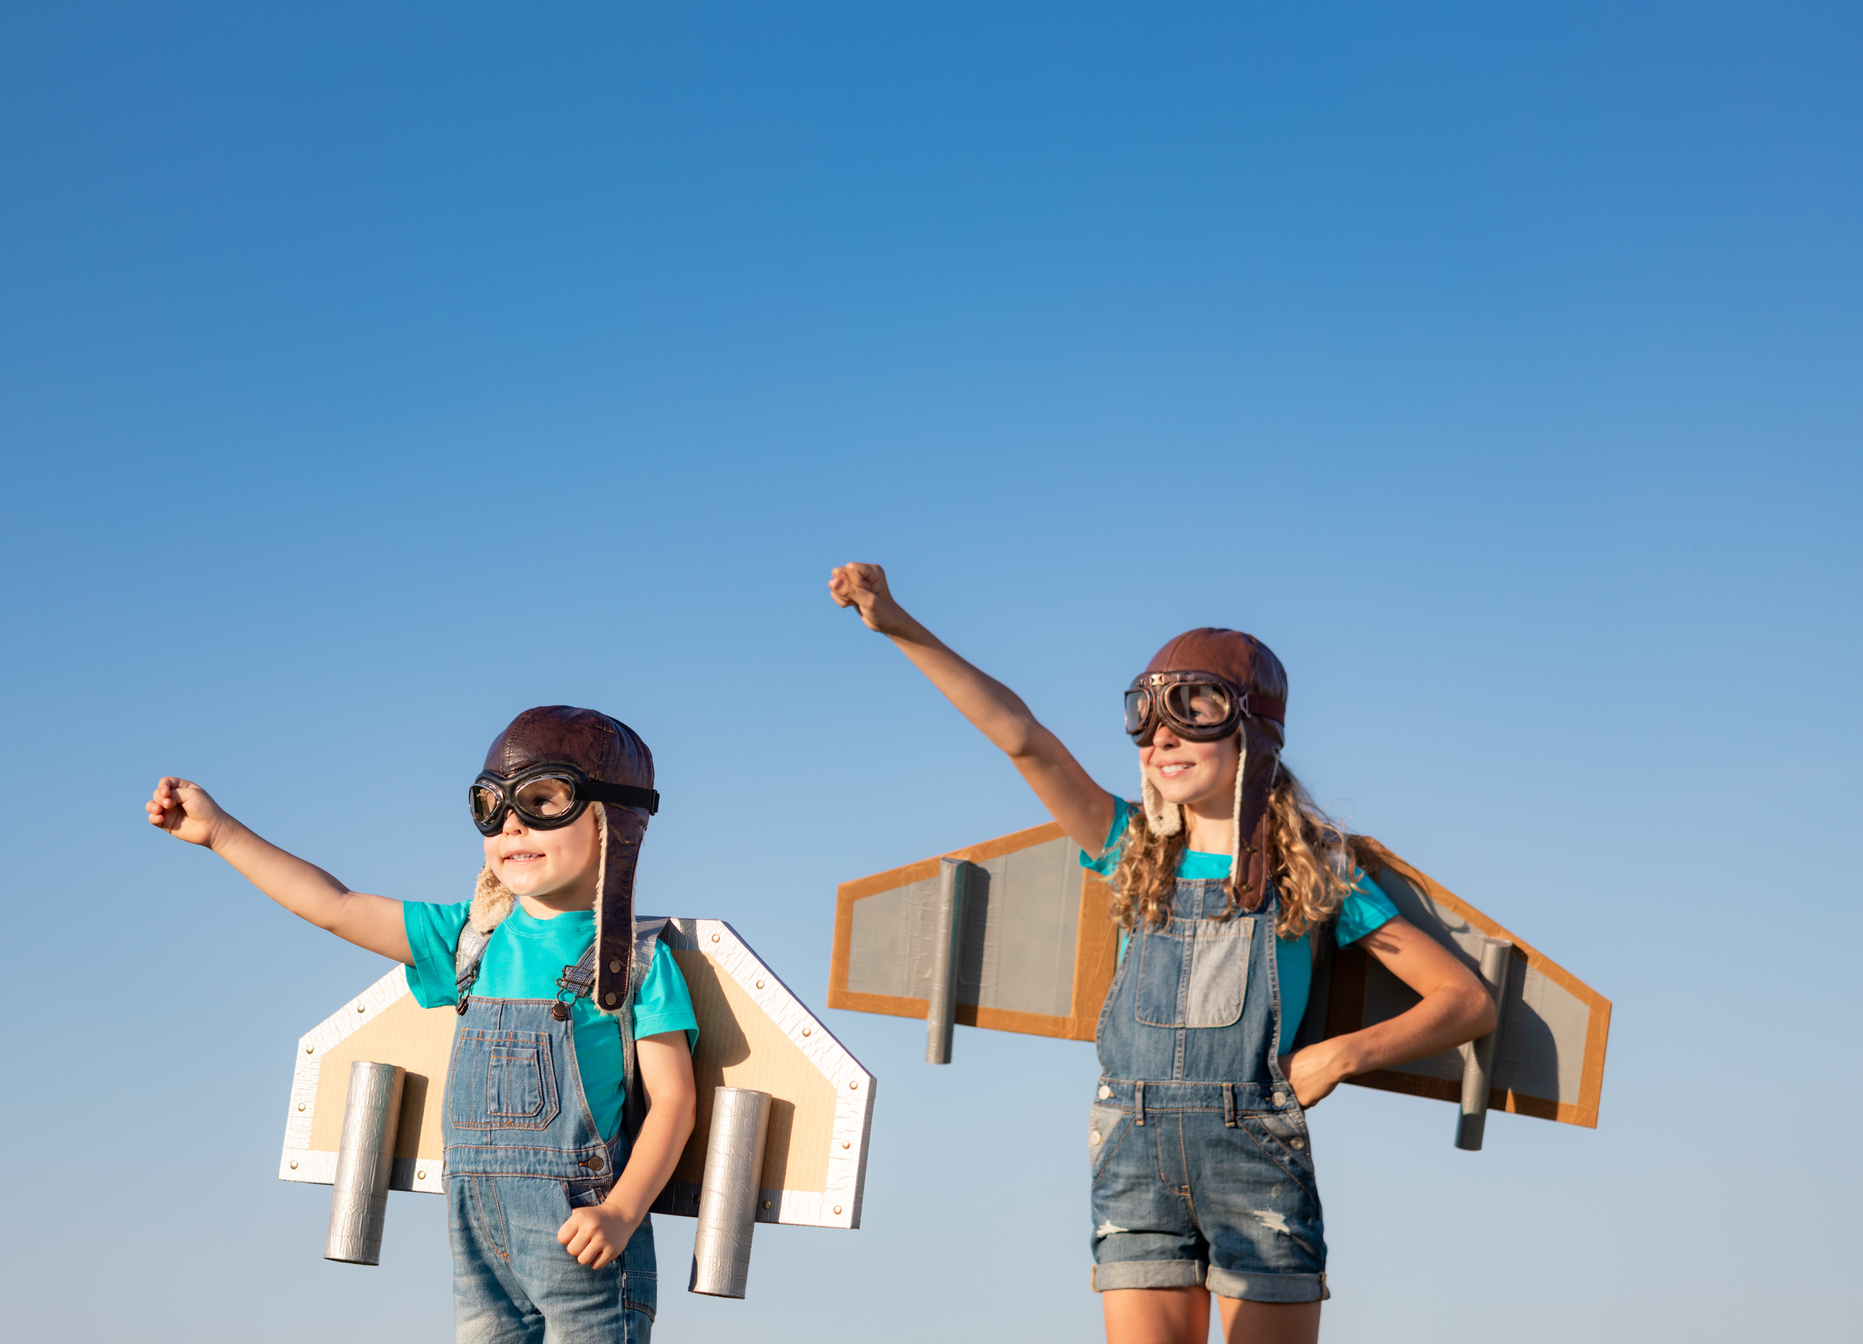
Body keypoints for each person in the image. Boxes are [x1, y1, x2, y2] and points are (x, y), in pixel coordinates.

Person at [829, 564, 1494, 1344]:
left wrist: (1338, 1057)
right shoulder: (1128, 848)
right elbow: (1022, 738)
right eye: (1145, 719)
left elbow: (1465, 1002)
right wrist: (900, 624)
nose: (1163, 739)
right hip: (1132, 1158)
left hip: (1257, 1154)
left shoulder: (1314, 870)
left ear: (1251, 731)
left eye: (1194, 711)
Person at [145, 705, 698, 1344]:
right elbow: (336, 906)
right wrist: (220, 833)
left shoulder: (635, 960)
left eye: (545, 800)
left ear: (614, 823)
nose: (512, 825)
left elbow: (673, 1102)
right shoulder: (471, 939)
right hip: (475, 1238)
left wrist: (622, 1213)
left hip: (585, 1236)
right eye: (491, 807)